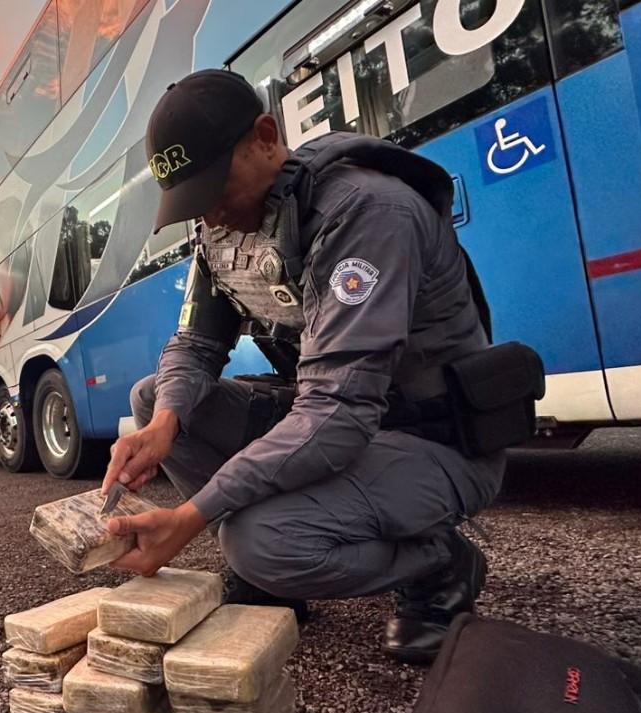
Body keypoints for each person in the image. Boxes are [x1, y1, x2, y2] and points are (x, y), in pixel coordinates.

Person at [102, 69, 509, 664]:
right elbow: (194, 346)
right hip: (345, 418)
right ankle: (279, 577)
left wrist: (192, 516)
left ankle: (439, 562)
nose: (210, 216)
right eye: (194, 202)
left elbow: (337, 411)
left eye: (215, 189)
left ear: (266, 136)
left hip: (431, 438)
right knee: (154, 398)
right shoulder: (226, 227)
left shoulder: (367, 212)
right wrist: (163, 425)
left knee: (257, 542)